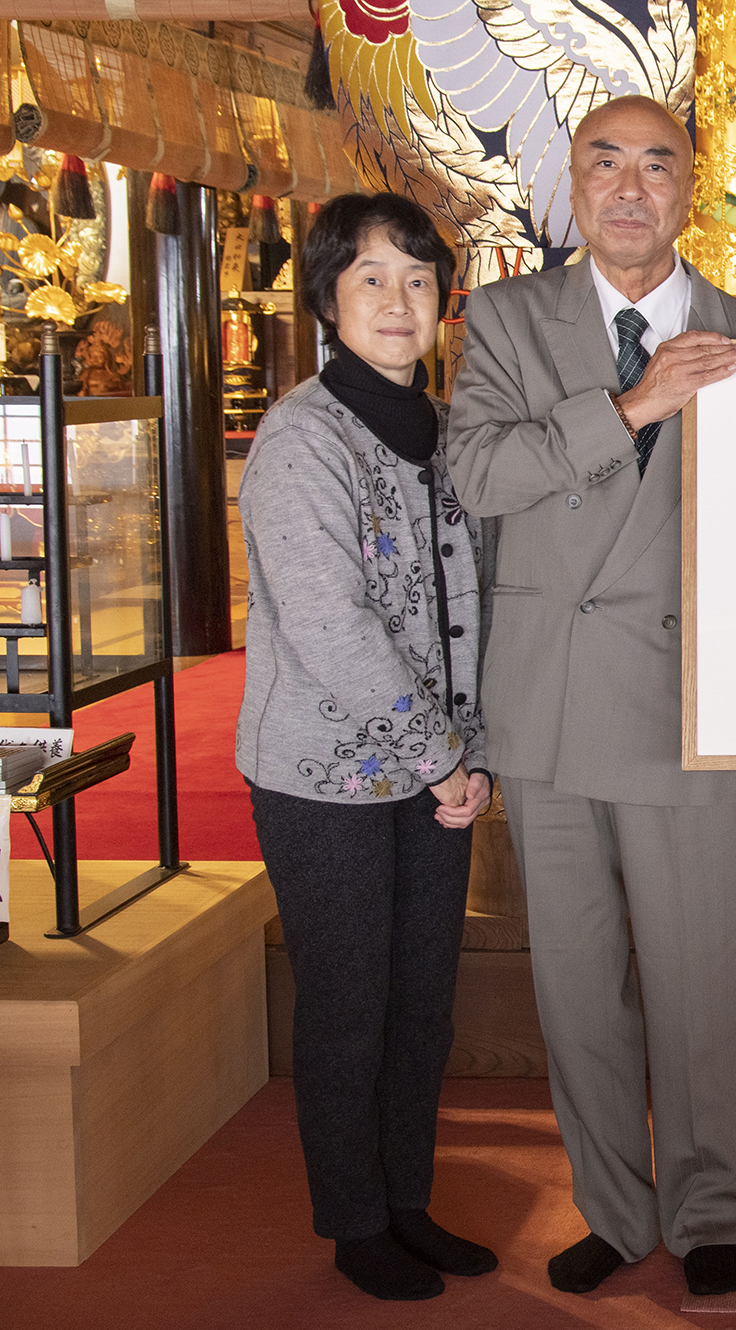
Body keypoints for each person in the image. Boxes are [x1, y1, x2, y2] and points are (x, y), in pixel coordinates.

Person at [443, 94, 736, 1299]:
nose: (631, 187)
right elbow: (479, 476)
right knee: (574, 978)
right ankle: (612, 1204)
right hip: (541, 702)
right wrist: (633, 406)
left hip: (683, 704)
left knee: (698, 974)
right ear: (572, 185)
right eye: (606, 163)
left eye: (658, 164)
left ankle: (709, 1212)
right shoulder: (501, 319)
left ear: (693, 186)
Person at [235, 192, 494, 1302]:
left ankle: (406, 1200)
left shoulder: (444, 430)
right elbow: (329, 621)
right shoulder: (301, 437)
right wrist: (444, 757)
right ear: (329, 298)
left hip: (439, 773)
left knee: (423, 1001)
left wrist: (470, 748)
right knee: (350, 1003)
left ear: (444, 300)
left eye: (418, 278)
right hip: (326, 776)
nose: (398, 300)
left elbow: (469, 600)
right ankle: (353, 1222)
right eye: (372, 278)